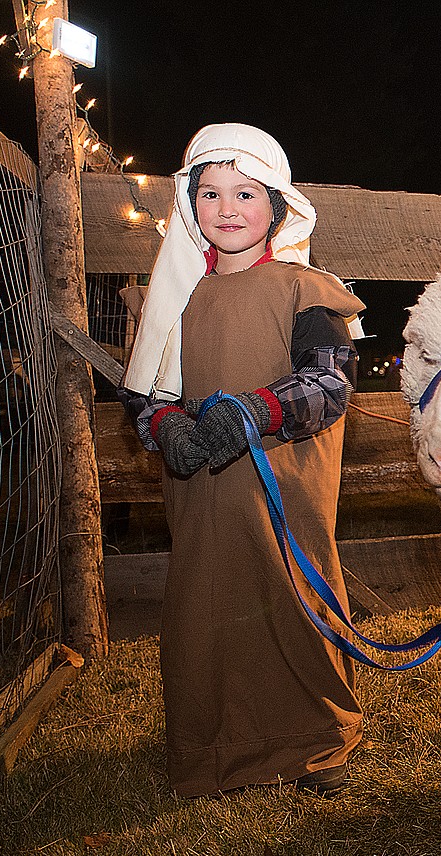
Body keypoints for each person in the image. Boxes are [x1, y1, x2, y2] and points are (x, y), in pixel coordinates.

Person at [119, 123, 364, 797]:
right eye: (210, 193)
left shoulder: (304, 289)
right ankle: (210, 750)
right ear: (190, 204)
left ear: (278, 207)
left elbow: (331, 381)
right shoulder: (174, 295)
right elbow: (145, 390)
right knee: (204, 612)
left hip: (280, 487)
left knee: (290, 598)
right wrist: (166, 424)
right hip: (200, 493)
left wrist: (257, 410)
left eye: (245, 194)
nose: (226, 209)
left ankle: (316, 740)